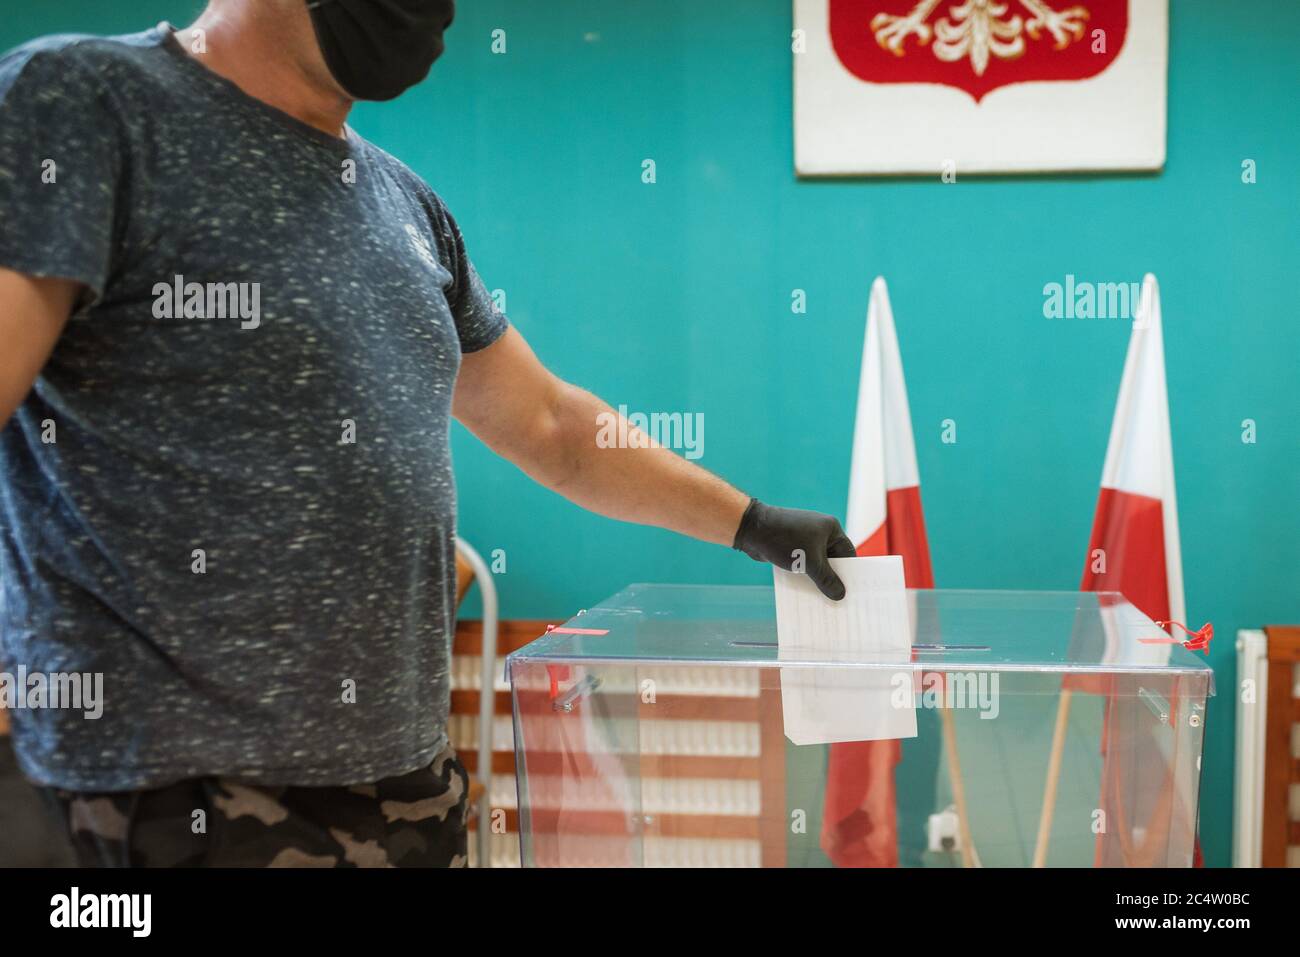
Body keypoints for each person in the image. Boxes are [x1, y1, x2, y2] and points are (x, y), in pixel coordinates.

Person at [0, 0, 853, 867]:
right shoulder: (86, 100)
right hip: (168, 792)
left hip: (401, 782)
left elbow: (552, 424)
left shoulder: (403, 201)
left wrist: (752, 524)